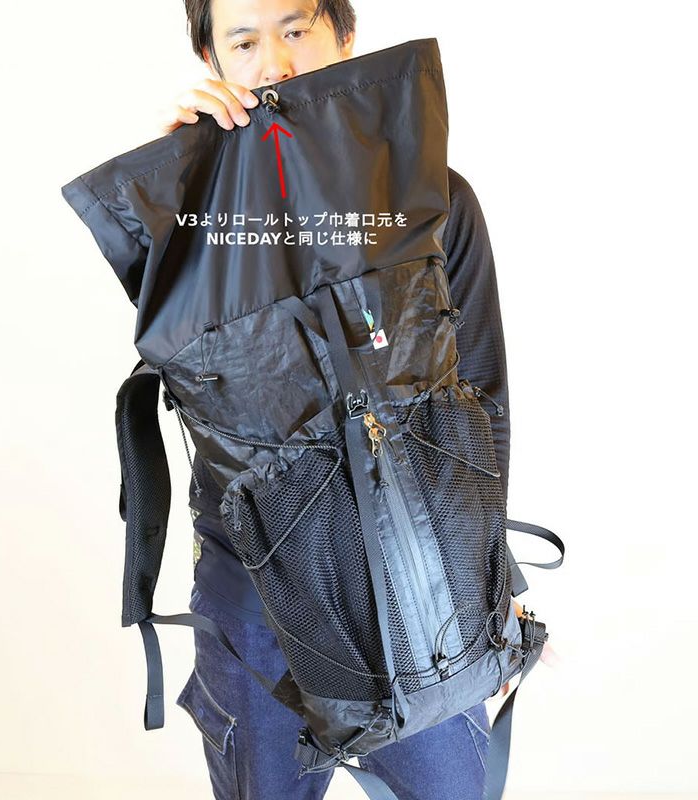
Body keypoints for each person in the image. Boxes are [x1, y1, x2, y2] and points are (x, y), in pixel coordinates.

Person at [159, 2, 557, 797]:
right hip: (254, 600)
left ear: (343, 35)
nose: (275, 62)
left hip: (419, 597)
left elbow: (481, 401)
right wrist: (182, 187)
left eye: (295, 29)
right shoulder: (188, 214)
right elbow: (194, 385)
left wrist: (487, 587)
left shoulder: (434, 198)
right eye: (244, 40)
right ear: (212, 60)